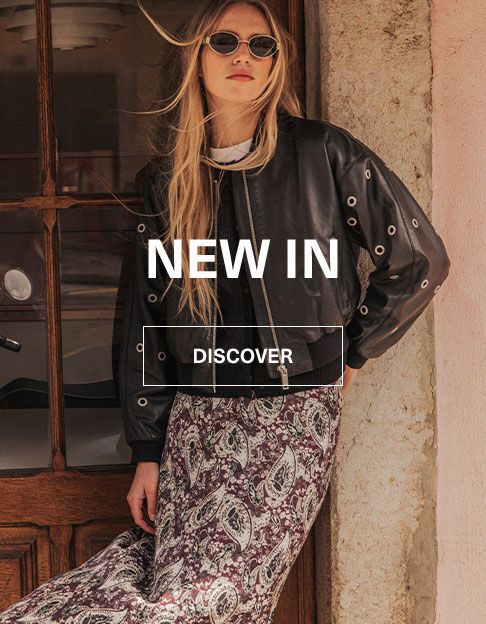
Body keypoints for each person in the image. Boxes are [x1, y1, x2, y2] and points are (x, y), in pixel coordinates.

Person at [0, 1, 450, 623]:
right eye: (226, 41)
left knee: (216, 600)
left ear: (276, 63)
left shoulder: (323, 153)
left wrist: (353, 351)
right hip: (198, 422)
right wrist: (148, 449)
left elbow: (419, 262)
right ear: (197, 58)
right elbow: (147, 324)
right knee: (168, 586)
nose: (244, 55)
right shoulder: (169, 180)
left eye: (262, 45)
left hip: (292, 424)